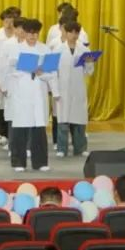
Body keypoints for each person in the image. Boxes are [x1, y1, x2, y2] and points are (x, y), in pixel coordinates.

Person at [9, 18, 58, 172]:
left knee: (39, 129)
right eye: (30, 33)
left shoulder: (45, 49)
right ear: (24, 33)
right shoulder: (17, 49)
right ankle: (18, 162)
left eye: (35, 33)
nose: (32, 36)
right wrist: (28, 68)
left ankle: (40, 162)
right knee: (20, 129)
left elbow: (51, 73)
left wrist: (41, 72)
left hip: (38, 93)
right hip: (22, 93)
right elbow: (12, 70)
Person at [52, 21, 92, 157]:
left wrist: (89, 63)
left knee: (79, 120)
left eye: (76, 33)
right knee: (63, 120)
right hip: (62, 88)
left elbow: (89, 72)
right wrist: (55, 90)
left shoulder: (84, 50)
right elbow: (53, 72)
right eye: (71, 32)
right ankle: (62, 149)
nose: (74, 35)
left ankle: (80, 148)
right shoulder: (58, 49)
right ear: (65, 32)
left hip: (78, 88)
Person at [0, 7, 19, 143]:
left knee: (14, 105)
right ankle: (3, 132)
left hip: (16, 76)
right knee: (1, 105)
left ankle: (13, 133)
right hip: (2, 76)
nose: (9, 24)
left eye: (11, 21)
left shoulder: (18, 36)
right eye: (6, 20)